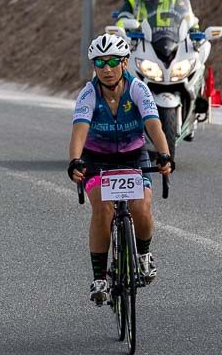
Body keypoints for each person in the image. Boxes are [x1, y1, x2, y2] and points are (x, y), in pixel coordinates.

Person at [67, 33, 173, 306]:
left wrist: (164, 154)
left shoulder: (138, 89)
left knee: (141, 207)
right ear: (94, 66)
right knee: (103, 208)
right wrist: (75, 161)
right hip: (96, 158)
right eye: (100, 63)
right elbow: (79, 131)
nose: (107, 68)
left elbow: (153, 124)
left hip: (132, 156)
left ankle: (143, 255)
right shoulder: (88, 94)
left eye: (113, 61)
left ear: (125, 63)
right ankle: (100, 277)